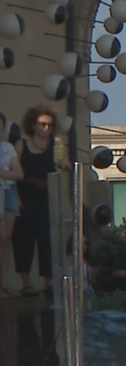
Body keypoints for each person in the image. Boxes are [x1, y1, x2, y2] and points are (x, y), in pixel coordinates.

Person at [12, 107, 57, 296]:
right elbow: (12, 174)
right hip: (25, 198)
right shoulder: (21, 145)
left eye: (49, 124)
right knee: (24, 239)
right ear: (33, 125)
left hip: (47, 198)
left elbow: (63, 167)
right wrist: (16, 197)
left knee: (48, 239)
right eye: (42, 124)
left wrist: (65, 163)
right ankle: (27, 282)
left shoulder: (57, 144)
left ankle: (49, 281)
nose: (46, 128)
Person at [0, 110, 21, 296]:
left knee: (6, 239)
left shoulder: (8, 147)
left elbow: (19, 173)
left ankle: (4, 283)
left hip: (9, 191)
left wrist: (3, 174)